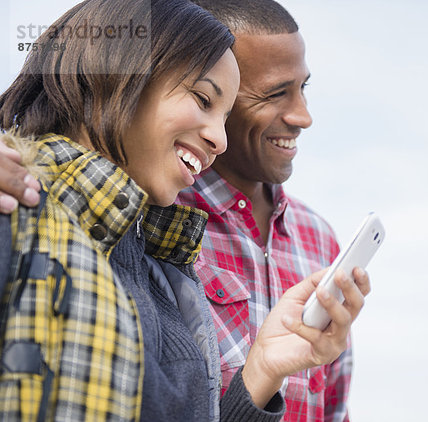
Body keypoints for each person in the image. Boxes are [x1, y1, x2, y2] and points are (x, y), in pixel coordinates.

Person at [0, 0, 369, 421]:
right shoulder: (18, 209)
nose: (219, 138)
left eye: (224, 114)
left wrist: (263, 370)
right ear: (116, 75)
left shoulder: (165, 274)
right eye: (203, 99)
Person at [175, 1, 355, 420]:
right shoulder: (156, 219)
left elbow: (333, 407)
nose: (303, 116)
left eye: (302, 88)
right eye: (276, 94)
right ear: (211, 98)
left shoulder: (319, 237)